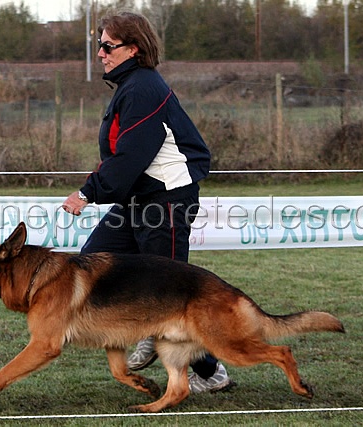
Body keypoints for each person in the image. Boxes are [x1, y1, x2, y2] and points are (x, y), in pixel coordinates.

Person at [61, 11, 234, 394]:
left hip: (167, 199)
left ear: (133, 49)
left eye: (108, 46)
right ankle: (148, 329)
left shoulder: (142, 88)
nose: (100, 54)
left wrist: (88, 192)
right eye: (99, 45)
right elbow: (123, 153)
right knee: (93, 265)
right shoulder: (130, 87)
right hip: (137, 196)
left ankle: (207, 371)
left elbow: (132, 156)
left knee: (173, 293)